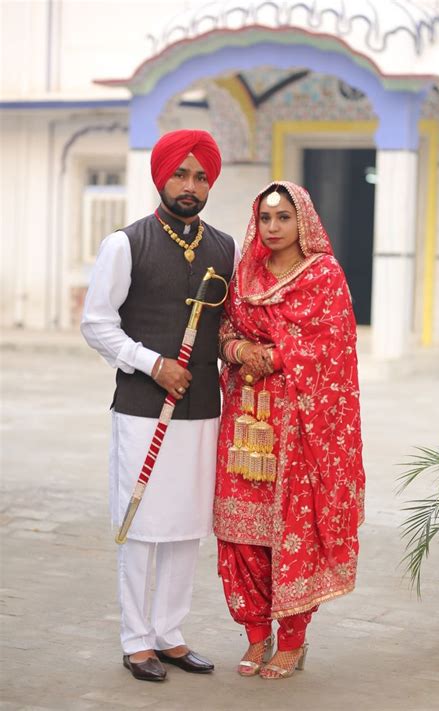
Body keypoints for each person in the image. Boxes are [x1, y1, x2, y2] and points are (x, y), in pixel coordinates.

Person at [81, 129, 237, 682]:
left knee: (186, 524)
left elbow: (228, 328)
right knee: (143, 521)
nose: (190, 186)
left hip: (201, 409)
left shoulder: (224, 247)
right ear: (161, 177)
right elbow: (96, 323)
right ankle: (136, 640)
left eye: (200, 176)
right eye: (181, 174)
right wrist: (152, 363)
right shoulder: (126, 243)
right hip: (144, 407)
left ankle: (170, 634)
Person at [214, 181, 365, 680]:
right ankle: (257, 635)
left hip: (299, 425)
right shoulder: (246, 272)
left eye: (283, 217)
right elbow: (226, 331)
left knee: (291, 531)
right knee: (241, 532)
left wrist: (275, 355)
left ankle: (294, 640)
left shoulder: (323, 275)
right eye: (265, 218)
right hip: (244, 421)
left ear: (304, 221)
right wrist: (240, 352)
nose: (273, 228)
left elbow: (332, 345)